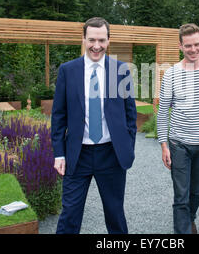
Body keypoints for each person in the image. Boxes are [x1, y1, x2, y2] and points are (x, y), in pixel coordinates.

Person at [51, 17, 137, 234]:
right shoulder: (67, 71)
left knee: (115, 214)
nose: (96, 46)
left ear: (109, 40)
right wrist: (59, 154)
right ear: (83, 39)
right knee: (69, 214)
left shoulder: (121, 70)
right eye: (91, 40)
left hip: (111, 154)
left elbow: (130, 115)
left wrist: (127, 147)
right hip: (77, 155)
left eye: (101, 40)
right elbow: (58, 116)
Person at [157, 23, 199, 234]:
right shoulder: (171, 74)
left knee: (195, 192)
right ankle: (182, 232)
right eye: (188, 46)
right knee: (181, 194)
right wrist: (163, 145)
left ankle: (189, 220)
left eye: (196, 44)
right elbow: (162, 111)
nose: (193, 49)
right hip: (179, 145)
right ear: (180, 46)